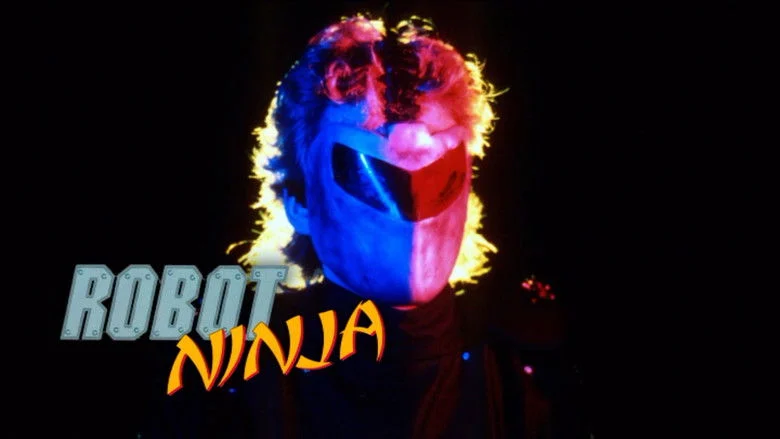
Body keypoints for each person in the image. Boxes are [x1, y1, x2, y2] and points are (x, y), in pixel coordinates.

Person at [146, 14, 584, 439]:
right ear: (299, 201)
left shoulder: (532, 377)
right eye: (367, 171)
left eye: (439, 172)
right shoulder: (224, 385)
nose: (411, 212)